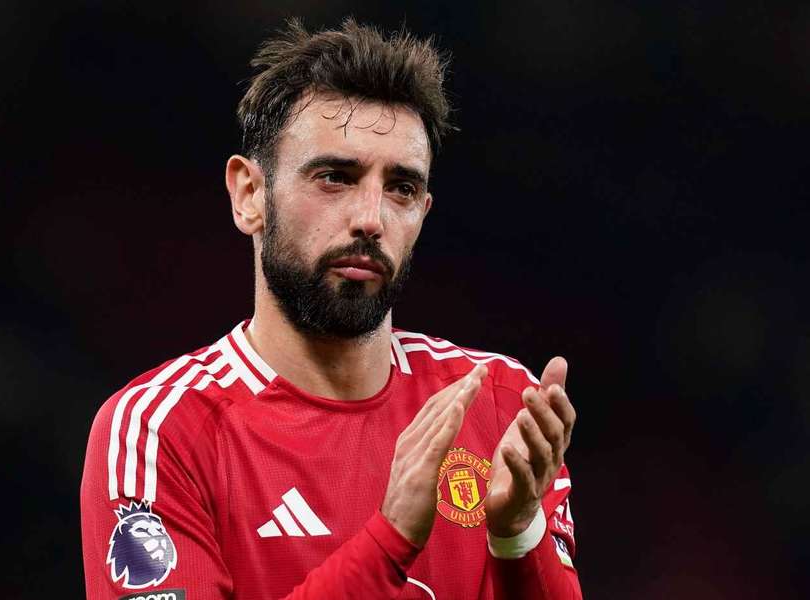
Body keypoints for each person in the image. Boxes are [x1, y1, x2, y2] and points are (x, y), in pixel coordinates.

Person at [81, 18, 581, 600]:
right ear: (249, 194)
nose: (371, 217)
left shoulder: (497, 403)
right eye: (335, 177)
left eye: (401, 188)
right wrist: (389, 540)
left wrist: (518, 534)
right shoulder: (161, 430)